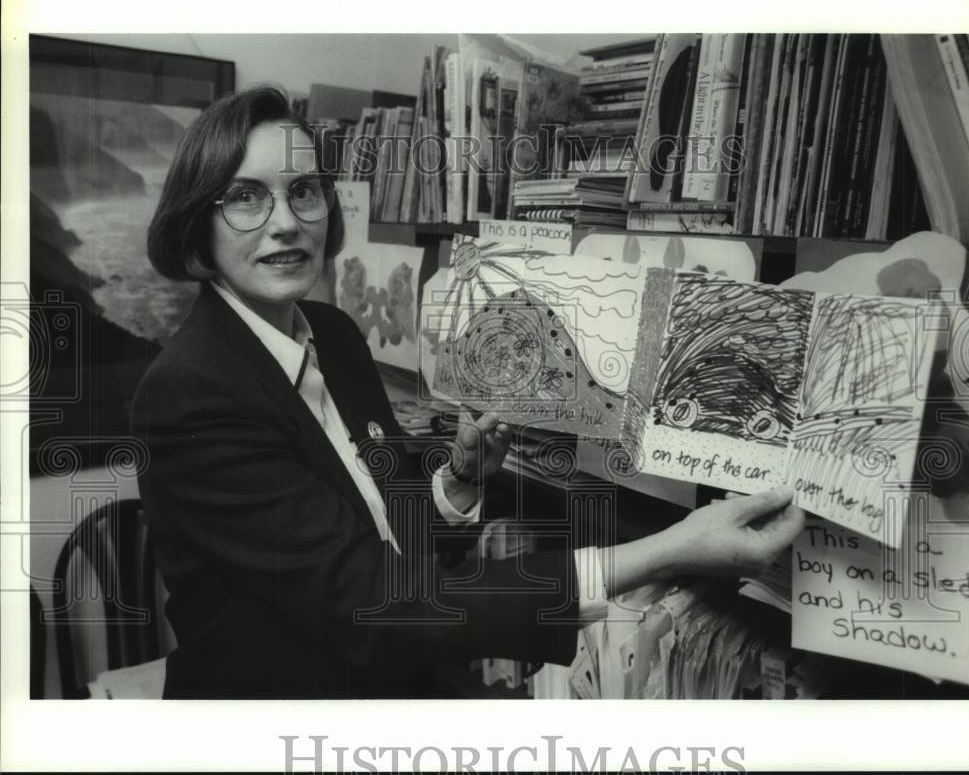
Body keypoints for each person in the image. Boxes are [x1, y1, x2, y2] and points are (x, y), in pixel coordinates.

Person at [131, 85, 805, 698]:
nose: (285, 221)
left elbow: (381, 533)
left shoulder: (332, 335)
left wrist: (456, 483)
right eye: (247, 196)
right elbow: (382, 603)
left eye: (303, 189)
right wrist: (670, 549)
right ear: (198, 226)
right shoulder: (191, 393)